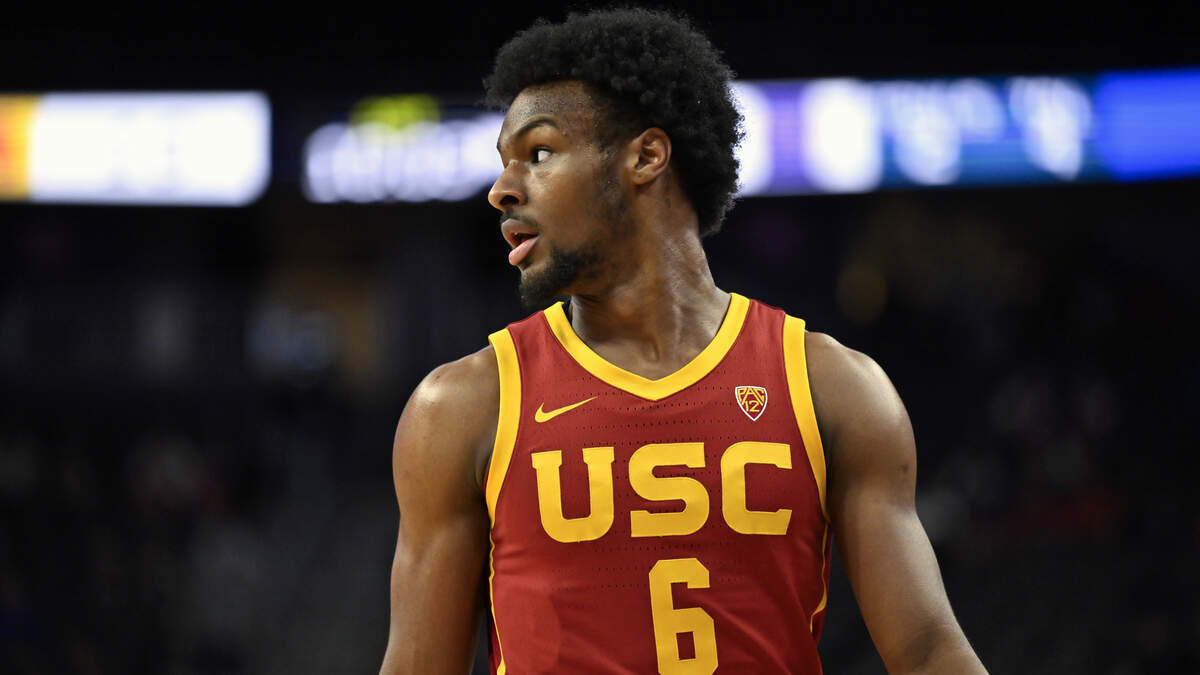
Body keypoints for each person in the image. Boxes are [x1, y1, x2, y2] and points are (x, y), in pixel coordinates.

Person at [380, 8, 988, 674]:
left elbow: (927, 650)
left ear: (646, 157)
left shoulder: (831, 386)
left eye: (540, 154)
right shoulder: (462, 405)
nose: (502, 189)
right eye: (505, 164)